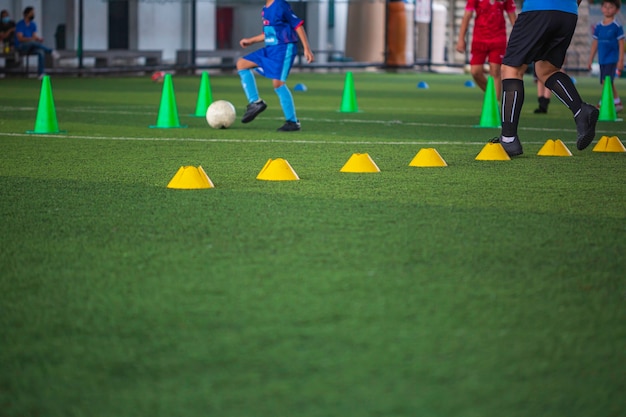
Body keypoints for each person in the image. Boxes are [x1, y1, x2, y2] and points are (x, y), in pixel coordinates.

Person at [491, 0, 599, 157]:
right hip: (568, 14)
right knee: (546, 70)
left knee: (511, 69)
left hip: (538, 10)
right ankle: (580, 110)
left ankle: (508, 139)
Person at [236, 0, 314, 132]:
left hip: (284, 49)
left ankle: (292, 122)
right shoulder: (265, 8)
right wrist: (251, 41)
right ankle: (255, 103)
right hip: (270, 49)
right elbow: (270, 32)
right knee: (241, 64)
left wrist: (307, 48)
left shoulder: (280, 5)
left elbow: (298, 25)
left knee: (278, 84)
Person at [455, 0, 517, 99]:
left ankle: (496, 106)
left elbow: (513, 18)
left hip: (498, 38)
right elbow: (467, 16)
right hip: (479, 38)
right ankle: (492, 97)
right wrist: (461, 39)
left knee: (495, 71)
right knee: (475, 72)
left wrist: (519, 40)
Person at [588, 0, 624, 112]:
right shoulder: (598, 26)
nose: (607, 9)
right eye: (605, 6)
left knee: (606, 81)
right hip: (602, 59)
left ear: (617, 10)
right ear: (601, 8)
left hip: (611, 59)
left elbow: (622, 44)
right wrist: (590, 59)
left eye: (611, 7)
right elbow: (595, 44)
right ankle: (617, 102)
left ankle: (602, 103)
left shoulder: (617, 26)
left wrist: (621, 60)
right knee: (609, 81)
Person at [14, 6, 59, 79]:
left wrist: (38, 39)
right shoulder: (20, 24)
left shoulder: (33, 24)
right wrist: (32, 39)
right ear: (26, 14)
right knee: (32, 42)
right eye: (32, 13)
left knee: (40, 52)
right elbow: (20, 38)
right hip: (21, 46)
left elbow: (34, 36)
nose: (33, 14)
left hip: (31, 46)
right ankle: (51, 51)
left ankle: (41, 73)